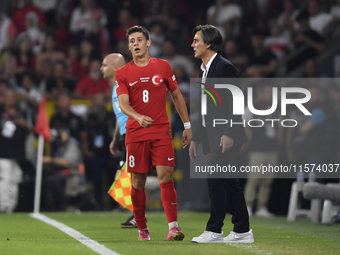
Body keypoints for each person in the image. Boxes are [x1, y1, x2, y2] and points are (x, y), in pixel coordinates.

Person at [115, 25, 190, 241]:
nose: (136, 44)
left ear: (148, 43)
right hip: (136, 133)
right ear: (129, 46)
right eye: (132, 41)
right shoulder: (123, 73)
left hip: (160, 131)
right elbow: (123, 104)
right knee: (138, 183)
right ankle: (142, 229)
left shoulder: (164, 66)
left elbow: (176, 96)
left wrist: (187, 125)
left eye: (139, 40)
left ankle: (174, 227)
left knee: (166, 177)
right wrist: (138, 117)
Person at [189, 24, 254, 243]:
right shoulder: (204, 69)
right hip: (213, 135)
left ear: (208, 43)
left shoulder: (225, 67)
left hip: (227, 135)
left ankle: (214, 230)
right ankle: (243, 230)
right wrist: (196, 139)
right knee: (228, 182)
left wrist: (229, 133)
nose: (193, 44)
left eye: (196, 40)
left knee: (216, 179)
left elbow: (237, 102)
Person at [101, 53, 137, 227]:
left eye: (104, 65)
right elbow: (120, 116)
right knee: (124, 179)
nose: (101, 68)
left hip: (133, 134)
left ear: (115, 68)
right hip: (125, 136)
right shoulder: (116, 88)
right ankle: (137, 214)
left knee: (126, 178)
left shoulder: (127, 84)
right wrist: (115, 139)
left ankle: (138, 215)